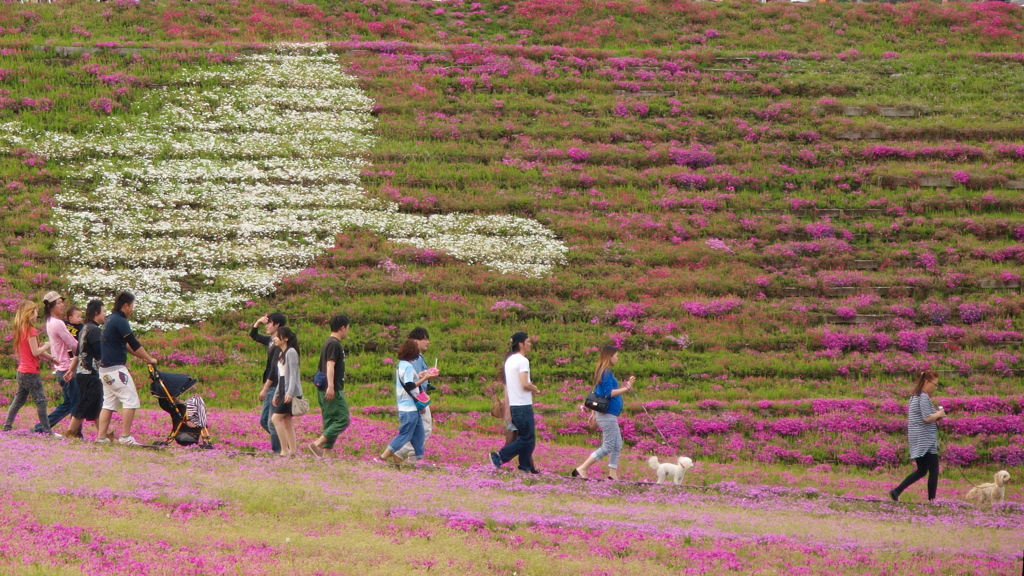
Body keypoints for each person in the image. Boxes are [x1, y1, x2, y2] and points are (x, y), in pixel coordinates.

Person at [95, 292, 158, 446]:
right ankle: (125, 437)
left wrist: (143, 358)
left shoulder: (110, 320)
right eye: (132, 306)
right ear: (126, 305)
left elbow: (125, 345)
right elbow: (134, 342)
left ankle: (101, 438)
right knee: (130, 400)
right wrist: (150, 359)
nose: (132, 310)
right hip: (116, 370)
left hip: (104, 371)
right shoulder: (121, 321)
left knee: (108, 403)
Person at [572, 346, 635, 480]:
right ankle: (582, 468)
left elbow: (598, 393)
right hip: (607, 415)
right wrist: (626, 388)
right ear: (609, 356)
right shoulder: (605, 372)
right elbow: (608, 394)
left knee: (617, 445)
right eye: (616, 355)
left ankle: (612, 474)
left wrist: (593, 413)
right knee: (608, 446)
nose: (617, 358)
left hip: (608, 414)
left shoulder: (605, 372)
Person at [889, 370, 946, 502]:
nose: (935, 387)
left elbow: (923, 417)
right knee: (933, 470)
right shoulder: (923, 397)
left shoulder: (915, 396)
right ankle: (932, 500)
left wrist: (936, 416)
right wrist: (939, 414)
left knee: (922, 470)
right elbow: (927, 418)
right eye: (935, 384)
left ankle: (896, 491)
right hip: (925, 439)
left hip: (917, 438)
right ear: (927, 382)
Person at [2, 300, 58, 436]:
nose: (37, 314)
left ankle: (7, 427)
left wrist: (51, 358)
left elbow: (34, 350)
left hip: (22, 371)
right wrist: (47, 345)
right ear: (29, 313)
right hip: (30, 372)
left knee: (18, 401)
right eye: (35, 311)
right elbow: (36, 351)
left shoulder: (22, 329)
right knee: (41, 401)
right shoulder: (30, 330)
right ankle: (47, 430)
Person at [489, 332, 542, 474]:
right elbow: (525, 384)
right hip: (523, 405)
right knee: (527, 438)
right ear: (521, 344)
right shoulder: (523, 361)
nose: (530, 344)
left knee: (527, 438)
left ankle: (525, 468)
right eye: (528, 341)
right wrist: (534, 389)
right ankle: (500, 456)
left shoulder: (510, 360)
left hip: (514, 405)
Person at [378, 339, 437, 465]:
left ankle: (420, 460)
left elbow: (408, 380)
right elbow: (410, 386)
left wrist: (420, 375)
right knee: (405, 434)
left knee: (419, 434)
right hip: (409, 407)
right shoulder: (409, 367)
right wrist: (426, 378)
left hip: (407, 407)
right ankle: (382, 457)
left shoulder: (402, 365)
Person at [34, 292, 81, 435]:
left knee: (68, 403)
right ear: (51, 306)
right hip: (67, 368)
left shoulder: (50, 322)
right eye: (59, 303)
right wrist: (86, 348)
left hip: (61, 368)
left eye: (62, 302)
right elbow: (73, 344)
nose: (62, 305)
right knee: (76, 403)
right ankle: (76, 434)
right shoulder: (58, 323)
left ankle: (41, 428)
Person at [308, 314, 352, 459]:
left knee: (330, 420)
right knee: (343, 419)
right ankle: (318, 444)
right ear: (343, 327)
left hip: (324, 388)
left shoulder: (329, 342)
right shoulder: (334, 343)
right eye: (348, 328)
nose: (348, 331)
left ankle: (326, 455)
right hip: (331, 388)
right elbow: (330, 364)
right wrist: (331, 386)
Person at [64, 300, 107, 440]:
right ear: (96, 313)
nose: (105, 315)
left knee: (96, 405)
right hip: (90, 373)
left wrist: (71, 369)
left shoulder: (85, 328)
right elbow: (101, 354)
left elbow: (78, 352)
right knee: (84, 404)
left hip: (83, 373)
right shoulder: (94, 330)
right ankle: (70, 432)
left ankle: (103, 435)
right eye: (104, 312)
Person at [394, 327, 434, 462]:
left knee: (419, 431)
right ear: (416, 341)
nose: (428, 342)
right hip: (417, 400)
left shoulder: (413, 360)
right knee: (424, 429)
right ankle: (401, 452)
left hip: (414, 400)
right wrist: (425, 378)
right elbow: (411, 384)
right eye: (425, 339)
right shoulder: (415, 359)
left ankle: (413, 458)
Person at [250, 312, 287, 454]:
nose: (266, 326)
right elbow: (254, 336)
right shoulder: (272, 340)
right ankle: (285, 445)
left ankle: (280, 452)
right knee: (265, 421)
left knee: (272, 422)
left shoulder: (278, 344)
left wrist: (265, 389)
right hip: (271, 385)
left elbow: (274, 369)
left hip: (275, 385)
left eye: (268, 323)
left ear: (277, 324)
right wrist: (257, 323)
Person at [271, 327, 301, 457]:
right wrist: (277, 393)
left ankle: (284, 450)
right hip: (283, 389)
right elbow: (281, 376)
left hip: (290, 391)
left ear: (286, 338)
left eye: (278, 336)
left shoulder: (291, 352)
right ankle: (293, 452)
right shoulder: (281, 353)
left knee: (275, 419)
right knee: (288, 423)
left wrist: (289, 392)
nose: (275, 338)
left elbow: (293, 375)